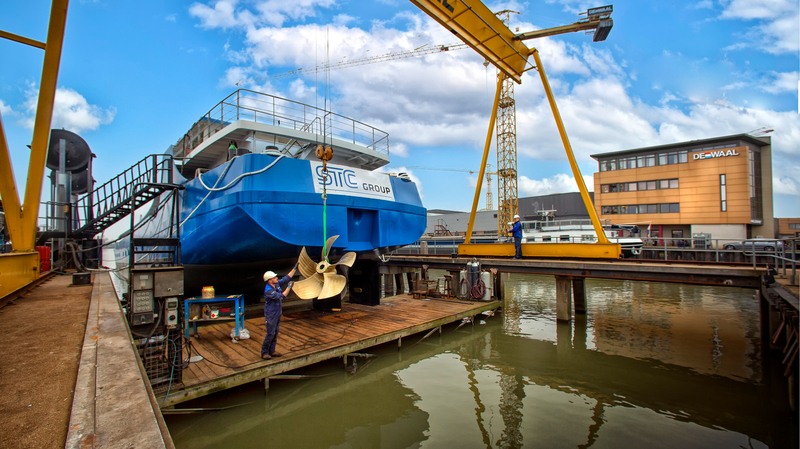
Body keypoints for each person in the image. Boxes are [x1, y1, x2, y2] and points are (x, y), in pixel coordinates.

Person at [261, 265, 297, 360]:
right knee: (270, 333)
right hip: (271, 315)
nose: (277, 278)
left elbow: (286, 278)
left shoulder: (276, 284)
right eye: (274, 277)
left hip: (277, 313)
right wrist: (289, 287)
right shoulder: (269, 291)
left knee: (276, 332)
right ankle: (264, 352)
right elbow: (282, 296)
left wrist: (295, 268)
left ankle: (272, 351)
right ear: (270, 280)